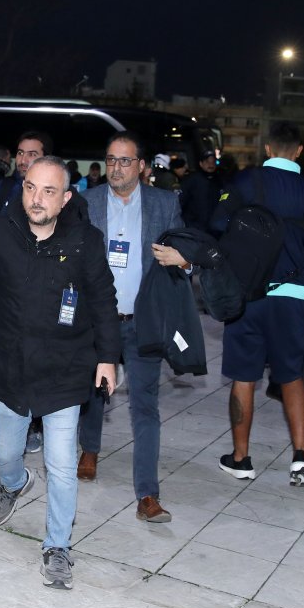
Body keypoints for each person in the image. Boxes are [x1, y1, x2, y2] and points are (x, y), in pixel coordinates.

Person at [0, 156, 120, 589]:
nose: (37, 199)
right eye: (31, 187)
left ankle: (58, 547)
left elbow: (104, 300)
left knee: (62, 465)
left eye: (49, 191)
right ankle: (13, 484)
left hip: (65, 369)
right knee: (5, 453)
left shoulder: (85, 240)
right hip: (8, 367)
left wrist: (108, 357)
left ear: (65, 198)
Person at [214, 122, 304, 486]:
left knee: (244, 377)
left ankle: (240, 459)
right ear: (298, 152)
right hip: (293, 296)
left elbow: (217, 222)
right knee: (292, 375)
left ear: (267, 148)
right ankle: (300, 458)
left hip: (248, 296)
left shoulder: (245, 181)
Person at [77, 131, 189, 523]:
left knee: (145, 405)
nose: (116, 168)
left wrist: (182, 260)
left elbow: (184, 255)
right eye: (111, 160)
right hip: (99, 319)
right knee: (94, 393)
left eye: (125, 161)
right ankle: (90, 448)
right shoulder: (87, 202)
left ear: (141, 166)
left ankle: (148, 494)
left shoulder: (164, 203)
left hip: (144, 321)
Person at [0, 131, 53, 236]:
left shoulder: (58, 193)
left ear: (46, 158)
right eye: (20, 153)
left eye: (31, 154)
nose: (23, 161)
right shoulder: (0, 188)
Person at [179, 150, 221, 230]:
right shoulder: (191, 180)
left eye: (213, 162)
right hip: (194, 227)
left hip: (214, 229)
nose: (211, 165)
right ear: (201, 164)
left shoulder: (220, 181)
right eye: (207, 162)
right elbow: (181, 202)